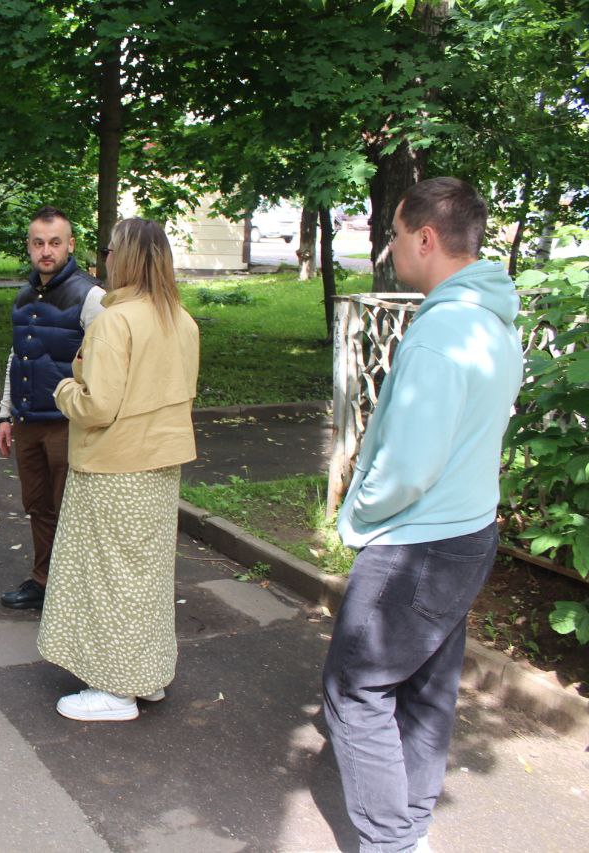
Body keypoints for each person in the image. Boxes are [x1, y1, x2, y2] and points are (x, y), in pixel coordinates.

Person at [324, 177, 524, 852]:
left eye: (395, 235)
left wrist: (359, 513)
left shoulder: (443, 333)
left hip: (415, 544)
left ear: (426, 238)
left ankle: (389, 841)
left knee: (357, 687)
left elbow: (409, 466)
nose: (389, 249)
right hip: (468, 533)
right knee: (429, 683)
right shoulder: (494, 321)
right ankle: (409, 827)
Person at [36, 217, 200, 721]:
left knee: (108, 580)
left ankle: (114, 690)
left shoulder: (115, 320)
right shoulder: (181, 319)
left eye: (110, 249)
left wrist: (63, 388)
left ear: (122, 257)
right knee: (146, 578)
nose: (104, 257)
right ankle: (143, 676)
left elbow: (98, 406)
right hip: (159, 467)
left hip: (113, 469)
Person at [0, 206, 106, 609]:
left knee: (70, 512)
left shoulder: (92, 296)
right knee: (38, 507)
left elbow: (108, 361)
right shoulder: (25, 295)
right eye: (39, 243)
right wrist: (5, 413)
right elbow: (17, 356)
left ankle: (75, 594)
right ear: (29, 246)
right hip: (27, 421)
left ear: (70, 245)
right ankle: (44, 582)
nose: (47, 251)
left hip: (68, 424)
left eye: (55, 242)